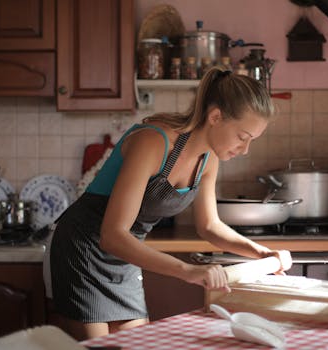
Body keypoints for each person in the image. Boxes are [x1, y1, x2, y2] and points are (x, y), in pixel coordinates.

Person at [49, 66, 293, 340]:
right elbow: (113, 235)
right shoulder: (153, 141)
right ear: (215, 117)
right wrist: (187, 271)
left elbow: (210, 226)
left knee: (134, 345)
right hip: (83, 248)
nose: (244, 149)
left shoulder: (208, 159)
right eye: (242, 137)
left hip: (125, 255)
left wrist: (262, 254)